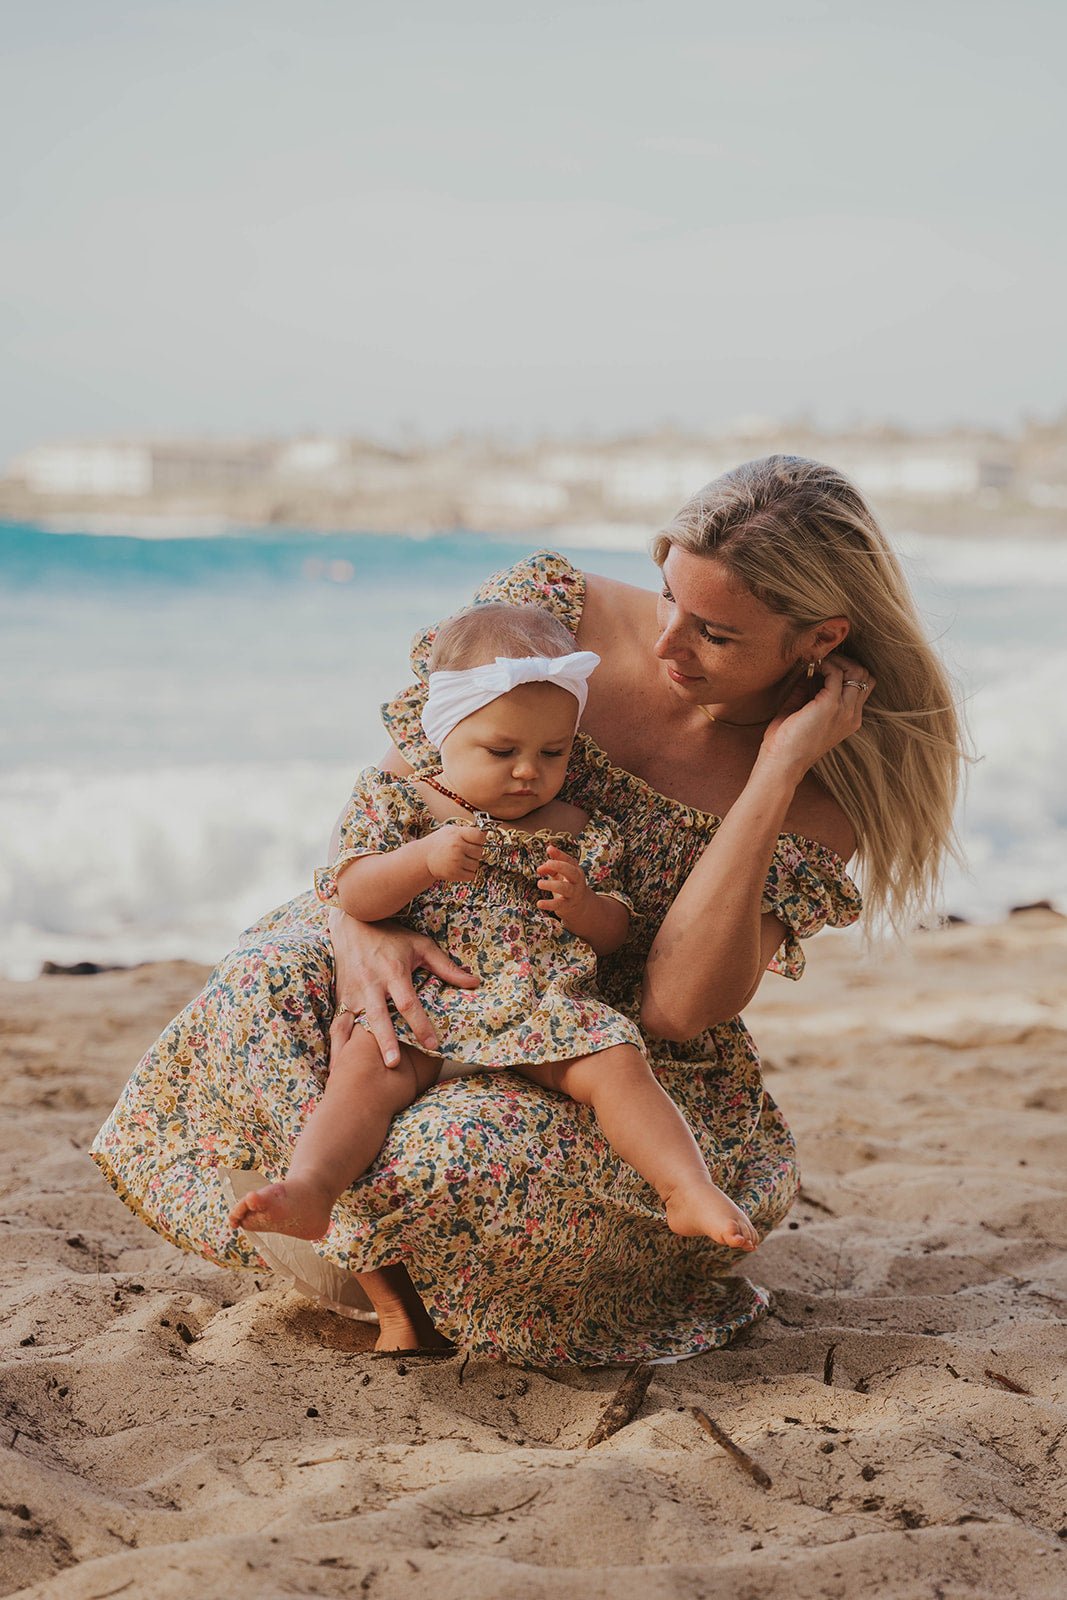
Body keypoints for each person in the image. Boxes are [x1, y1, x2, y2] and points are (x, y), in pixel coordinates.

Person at [91, 456, 963, 1365]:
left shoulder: (820, 790)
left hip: (603, 1032)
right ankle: (325, 1225)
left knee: (459, 1153)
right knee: (269, 983)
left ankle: (417, 1269)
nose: (667, 647)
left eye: (713, 634)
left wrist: (773, 775)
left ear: (818, 638)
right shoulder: (553, 614)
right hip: (442, 935)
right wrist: (362, 930)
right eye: (667, 598)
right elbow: (399, 792)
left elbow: (676, 1006)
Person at [228, 602, 758, 1252]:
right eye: (501, 750)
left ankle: (684, 1189)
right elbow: (353, 893)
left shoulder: (576, 828)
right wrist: (420, 861)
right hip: (428, 1007)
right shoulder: (400, 803)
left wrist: (583, 906)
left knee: (618, 1066)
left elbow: (617, 931)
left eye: (552, 751)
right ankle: (311, 1188)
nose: (528, 770)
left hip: (542, 1009)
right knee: (362, 1075)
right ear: (444, 732)